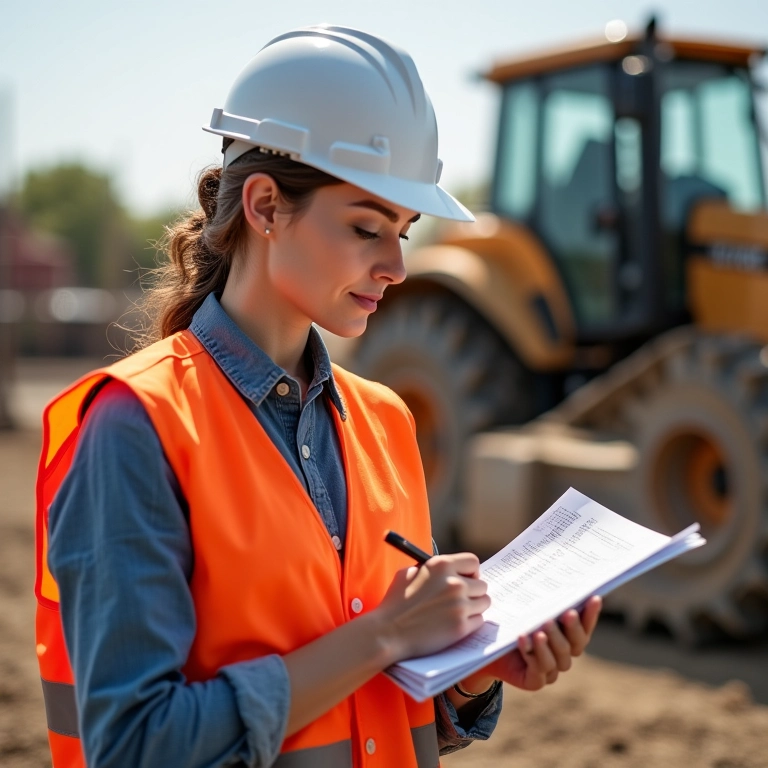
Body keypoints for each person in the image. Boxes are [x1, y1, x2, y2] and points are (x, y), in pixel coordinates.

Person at [34, 24, 602, 768]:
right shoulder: (136, 426)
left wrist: (466, 681)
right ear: (266, 207)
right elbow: (138, 747)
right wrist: (385, 634)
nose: (397, 265)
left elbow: (379, 714)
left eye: (405, 230)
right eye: (368, 228)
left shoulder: (387, 421)